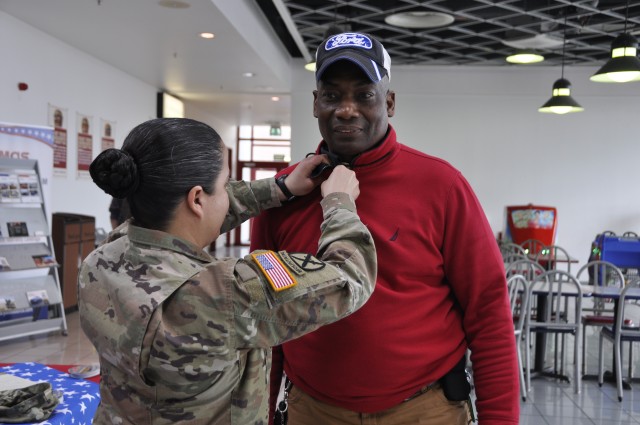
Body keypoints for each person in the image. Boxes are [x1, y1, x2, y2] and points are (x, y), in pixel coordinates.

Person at [250, 32, 519, 424]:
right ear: (315, 104)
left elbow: (489, 313)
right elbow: (265, 319)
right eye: (332, 95)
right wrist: (260, 412)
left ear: (389, 103)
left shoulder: (441, 185)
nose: (346, 110)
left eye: (364, 95)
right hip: (313, 410)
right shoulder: (283, 193)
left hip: (425, 409)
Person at [78, 117, 377, 424]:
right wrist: (339, 202)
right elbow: (351, 277)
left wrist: (280, 188)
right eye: (224, 185)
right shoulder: (223, 295)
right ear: (197, 199)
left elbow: (187, 216)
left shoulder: (101, 259)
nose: (227, 194)